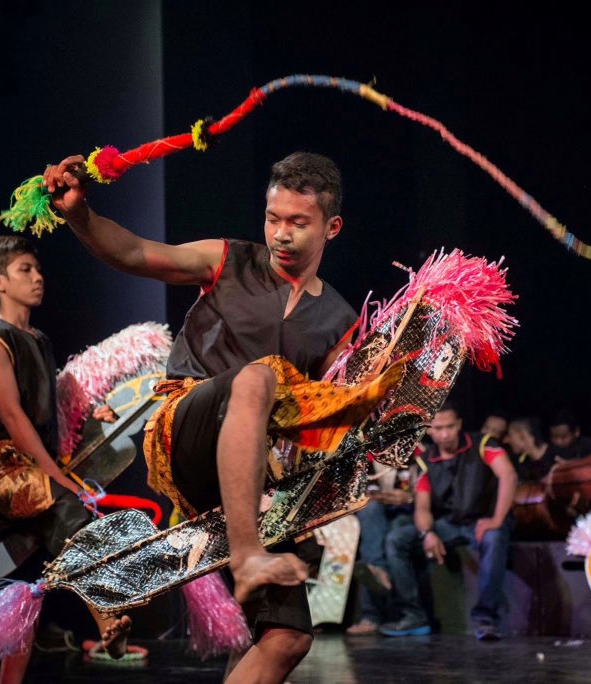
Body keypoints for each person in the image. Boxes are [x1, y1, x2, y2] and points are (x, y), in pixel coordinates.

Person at [43, 151, 399, 683]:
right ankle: (248, 556)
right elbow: (137, 252)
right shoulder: (228, 259)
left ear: (332, 227)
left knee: (286, 640)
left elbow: (322, 421)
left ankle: (250, 553)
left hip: (247, 479)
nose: (281, 233)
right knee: (259, 378)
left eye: (298, 223)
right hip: (183, 430)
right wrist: (80, 216)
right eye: (273, 218)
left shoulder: (340, 322)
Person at [0, 236, 131, 683]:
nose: (38, 277)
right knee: (72, 512)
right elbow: (13, 416)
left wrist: (95, 412)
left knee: (27, 590)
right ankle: (105, 618)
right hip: (8, 467)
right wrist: (57, 474)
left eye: (38, 270)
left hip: (40, 463)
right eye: (25, 270)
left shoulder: (38, 339)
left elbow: (49, 408)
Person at [379, 400, 517, 641]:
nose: (444, 434)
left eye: (450, 427)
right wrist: (427, 533)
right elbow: (422, 506)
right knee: (396, 539)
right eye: (438, 428)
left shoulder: (483, 444)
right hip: (449, 525)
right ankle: (414, 615)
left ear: (459, 425)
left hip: (481, 522)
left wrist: (496, 519)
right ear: (430, 429)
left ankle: (485, 619)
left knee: (494, 538)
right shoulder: (426, 460)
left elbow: (508, 474)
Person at [346, 453, 422, 635]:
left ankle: (372, 613)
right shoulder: (364, 452)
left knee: (392, 536)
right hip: (374, 513)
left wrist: (409, 497)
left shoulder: (417, 451)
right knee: (370, 513)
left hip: (408, 513)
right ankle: (377, 570)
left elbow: (429, 490)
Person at [506, 416, 567, 482]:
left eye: (510, 435)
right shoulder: (521, 464)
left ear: (523, 436)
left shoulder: (557, 456)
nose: (507, 440)